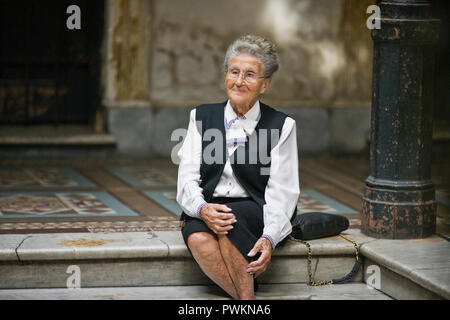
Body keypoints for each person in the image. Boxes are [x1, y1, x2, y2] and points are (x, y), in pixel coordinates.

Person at [176, 35, 300, 300]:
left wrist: (269, 237)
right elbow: (187, 176)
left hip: (256, 206)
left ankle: (247, 302)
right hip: (210, 205)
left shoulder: (282, 125)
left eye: (250, 75)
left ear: (265, 84)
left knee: (229, 222)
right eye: (234, 72)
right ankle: (246, 297)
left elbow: (284, 190)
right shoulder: (200, 116)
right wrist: (201, 208)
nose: (239, 81)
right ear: (225, 76)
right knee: (197, 237)